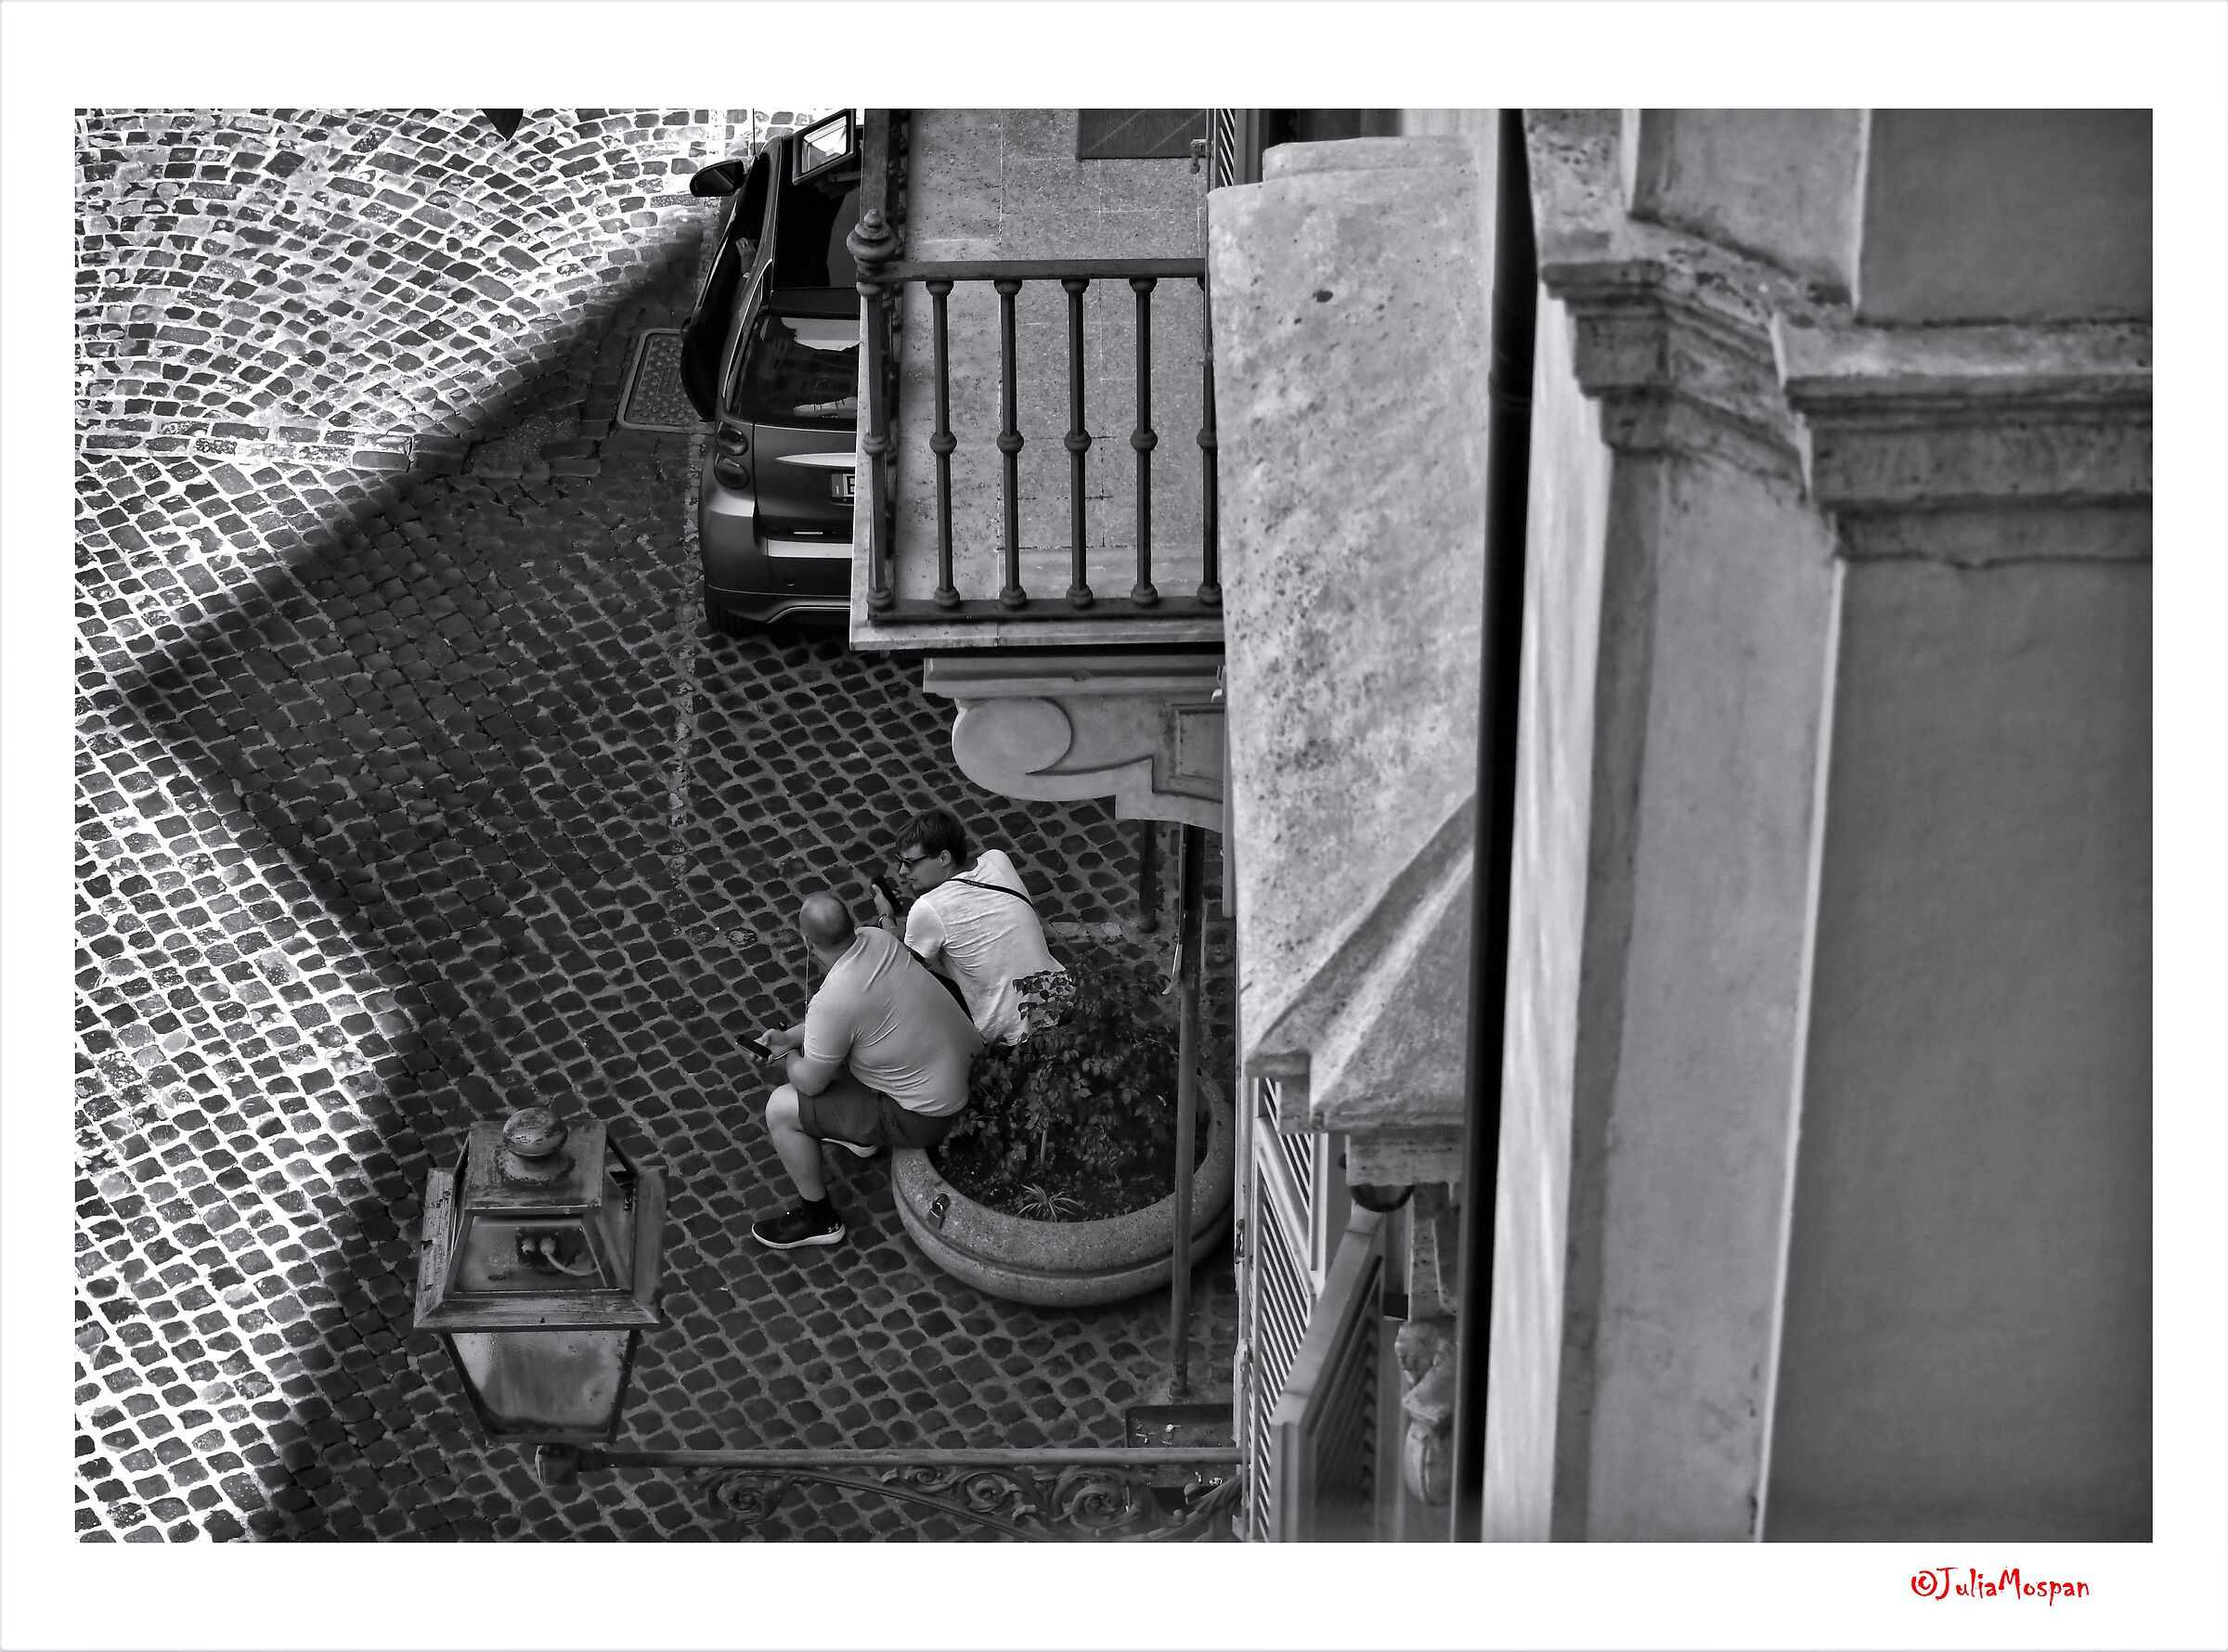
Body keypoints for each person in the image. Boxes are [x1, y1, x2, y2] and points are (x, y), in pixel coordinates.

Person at [750, 892, 982, 1250]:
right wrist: (788, 1037)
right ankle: (859, 1137)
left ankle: (818, 1218)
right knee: (849, 1055)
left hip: (931, 1115)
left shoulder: (833, 1001)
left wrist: (789, 1056)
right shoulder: (877, 939)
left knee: (781, 1108)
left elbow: (810, 1082)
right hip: (971, 1071)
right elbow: (847, 1024)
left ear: (806, 942)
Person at [870, 808, 1071, 1047]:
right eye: (900, 861)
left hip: (1009, 1038)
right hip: (1063, 1001)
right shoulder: (997, 860)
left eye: (910, 863)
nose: (902, 872)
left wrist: (886, 916)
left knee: (904, 977)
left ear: (944, 858)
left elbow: (896, 960)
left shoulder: (928, 908)